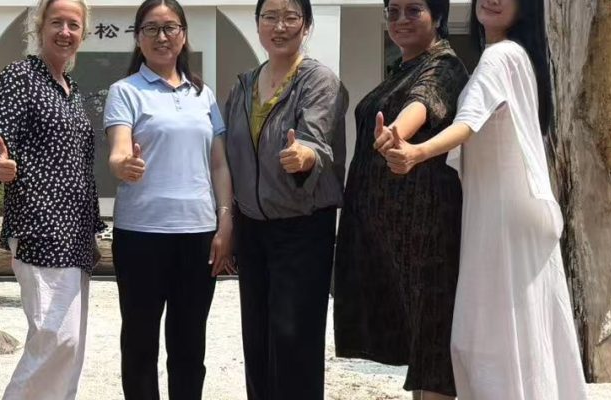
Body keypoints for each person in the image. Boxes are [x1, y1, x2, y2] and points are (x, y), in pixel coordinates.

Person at [383, 0, 588, 398]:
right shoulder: (519, 57)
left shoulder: (499, 57)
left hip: (499, 219)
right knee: (524, 338)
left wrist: (417, 153)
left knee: (487, 342)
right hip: (514, 213)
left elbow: (467, 124)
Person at [331, 0, 467, 399]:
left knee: (433, 346)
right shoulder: (404, 67)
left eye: (413, 10)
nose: (401, 20)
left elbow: (423, 103)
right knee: (418, 347)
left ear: (437, 16)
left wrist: (396, 133)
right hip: (397, 239)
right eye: (393, 11)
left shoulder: (444, 66)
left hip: (428, 233)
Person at [102, 0, 233, 398]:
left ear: (183, 35)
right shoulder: (125, 91)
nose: (162, 37)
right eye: (151, 29)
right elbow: (118, 149)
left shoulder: (202, 94)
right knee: (140, 344)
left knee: (190, 346)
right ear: (138, 38)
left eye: (170, 28)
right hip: (140, 235)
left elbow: (219, 165)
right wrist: (124, 165)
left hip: (198, 234)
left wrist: (225, 220)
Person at [0, 0, 102, 398]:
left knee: (70, 347)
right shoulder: (21, 76)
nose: (65, 31)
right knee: (55, 338)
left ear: (83, 33)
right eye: (57, 22)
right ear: (40, 26)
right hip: (39, 225)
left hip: (76, 232)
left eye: (73, 24)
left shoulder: (71, 90)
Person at [221, 0, 348, 397]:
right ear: (257, 24)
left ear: (306, 25)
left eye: (291, 17)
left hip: (302, 228)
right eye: (270, 17)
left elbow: (316, 140)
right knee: (257, 340)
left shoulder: (318, 80)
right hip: (252, 228)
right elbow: (228, 157)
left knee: (294, 343)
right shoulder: (243, 86)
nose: (280, 26)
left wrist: (304, 155)